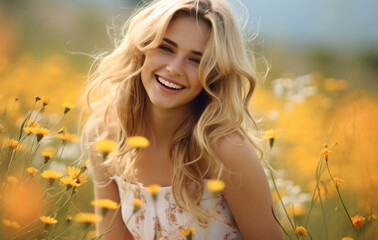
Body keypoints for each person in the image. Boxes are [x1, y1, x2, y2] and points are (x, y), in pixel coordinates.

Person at [82, 0, 283, 239]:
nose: (175, 68)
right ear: (142, 49)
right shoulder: (104, 136)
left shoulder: (227, 151)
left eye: (196, 60)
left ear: (215, 74)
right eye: (166, 48)